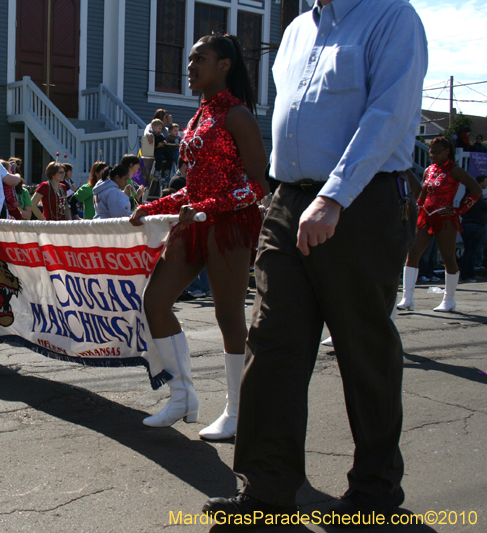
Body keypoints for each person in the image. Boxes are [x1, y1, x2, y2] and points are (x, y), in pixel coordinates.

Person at [203, 0, 428, 522]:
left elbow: (390, 115)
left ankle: (374, 493)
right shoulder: (297, 31)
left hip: (360, 202)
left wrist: (335, 196)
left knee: (362, 348)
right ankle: (266, 491)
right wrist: (279, 196)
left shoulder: (392, 17)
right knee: (273, 343)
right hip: (288, 200)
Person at [130, 33, 269, 439]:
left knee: (228, 316)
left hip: (228, 228)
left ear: (224, 65)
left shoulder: (237, 114)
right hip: (193, 224)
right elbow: (191, 188)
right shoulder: (197, 116)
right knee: (154, 301)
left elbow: (259, 185)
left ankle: (238, 410)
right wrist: (152, 207)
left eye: (199, 60)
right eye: (189, 60)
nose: (189, 67)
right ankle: (181, 396)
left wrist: (212, 209)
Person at [397, 137, 484, 311]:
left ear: (447, 151)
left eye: (437, 152)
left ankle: (449, 300)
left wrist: (458, 210)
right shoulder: (429, 170)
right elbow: (422, 194)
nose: (433, 155)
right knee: (413, 254)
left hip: (445, 219)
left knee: (448, 258)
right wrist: (418, 208)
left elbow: (476, 190)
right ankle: (407, 298)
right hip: (426, 216)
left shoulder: (455, 170)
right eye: (431, 152)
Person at [460, 175, 487, 281]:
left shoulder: (465, 198)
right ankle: (469, 274)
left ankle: (464, 273)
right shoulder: (476, 198)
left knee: (467, 251)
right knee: (472, 251)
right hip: (475, 226)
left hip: (465, 225)